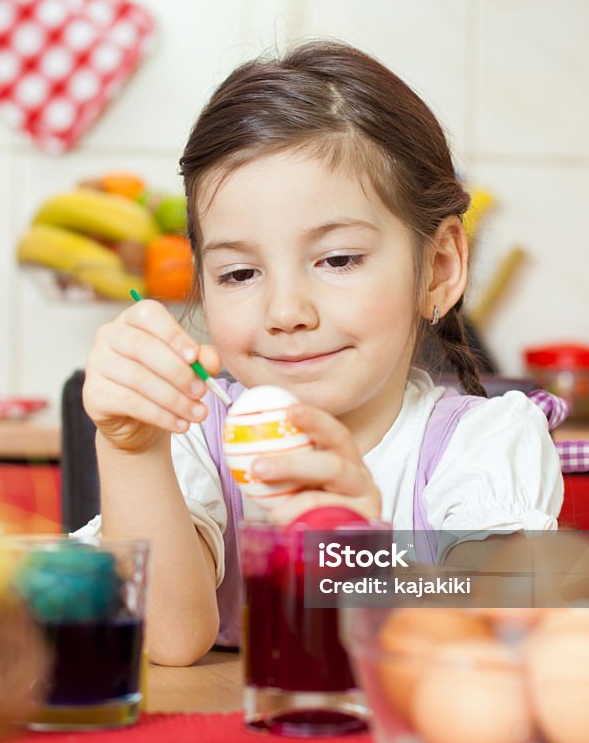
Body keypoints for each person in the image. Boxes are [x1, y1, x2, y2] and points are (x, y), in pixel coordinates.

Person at [80, 41, 563, 665]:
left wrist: (349, 547)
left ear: (439, 268)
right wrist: (131, 450)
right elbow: (170, 642)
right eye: (238, 274)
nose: (286, 313)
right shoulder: (195, 434)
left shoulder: (483, 444)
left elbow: (485, 645)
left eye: (338, 260)